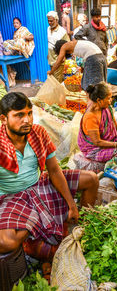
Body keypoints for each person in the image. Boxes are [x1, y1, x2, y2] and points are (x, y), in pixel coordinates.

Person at [0, 92, 98, 254]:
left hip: (39, 184)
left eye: (29, 113)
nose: (27, 120)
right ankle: (33, 224)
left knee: (92, 179)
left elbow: (54, 170)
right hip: (11, 196)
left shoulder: (38, 133)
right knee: (7, 243)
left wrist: (72, 204)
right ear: (4, 119)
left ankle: (83, 227)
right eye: (19, 115)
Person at [78, 82, 117, 163]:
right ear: (99, 100)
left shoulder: (107, 108)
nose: (110, 101)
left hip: (110, 142)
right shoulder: (90, 117)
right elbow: (97, 142)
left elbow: (115, 126)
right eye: (108, 98)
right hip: (95, 150)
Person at [47, 11, 69, 82]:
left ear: (56, 20)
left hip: (59, 60)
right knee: (55, 80)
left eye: (51, 21)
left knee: (56, 81)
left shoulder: (62, 31)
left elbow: (68, 45)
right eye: (48, 21)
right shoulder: (48, 29)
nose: (49, 23)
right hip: (51, 59)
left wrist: (64, 56)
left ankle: (59, 93)